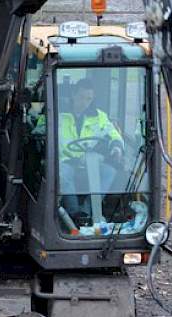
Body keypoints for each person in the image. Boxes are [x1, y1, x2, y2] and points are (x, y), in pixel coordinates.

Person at [58, 78, 125, 226]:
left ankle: (86, 212)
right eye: (81, 97)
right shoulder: (58, 113)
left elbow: (113, 133)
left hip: (89, 163)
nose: (85, 102)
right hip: (64, 162)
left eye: (89, 99)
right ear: (73, 95)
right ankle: (74, 213)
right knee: (62, 173)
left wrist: (116, 146)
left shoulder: (99, 116)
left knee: (109, 172)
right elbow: (40, 129)